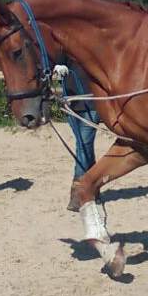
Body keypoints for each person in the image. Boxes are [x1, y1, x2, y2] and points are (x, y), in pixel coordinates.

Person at [52, 54, 101, 212]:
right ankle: (94, 185)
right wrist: (58, 67)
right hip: (72, 102)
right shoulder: (68, 46)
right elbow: (56, 58)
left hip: (92, 103)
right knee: (85, 147)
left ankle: (77, 192)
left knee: (83, 144)